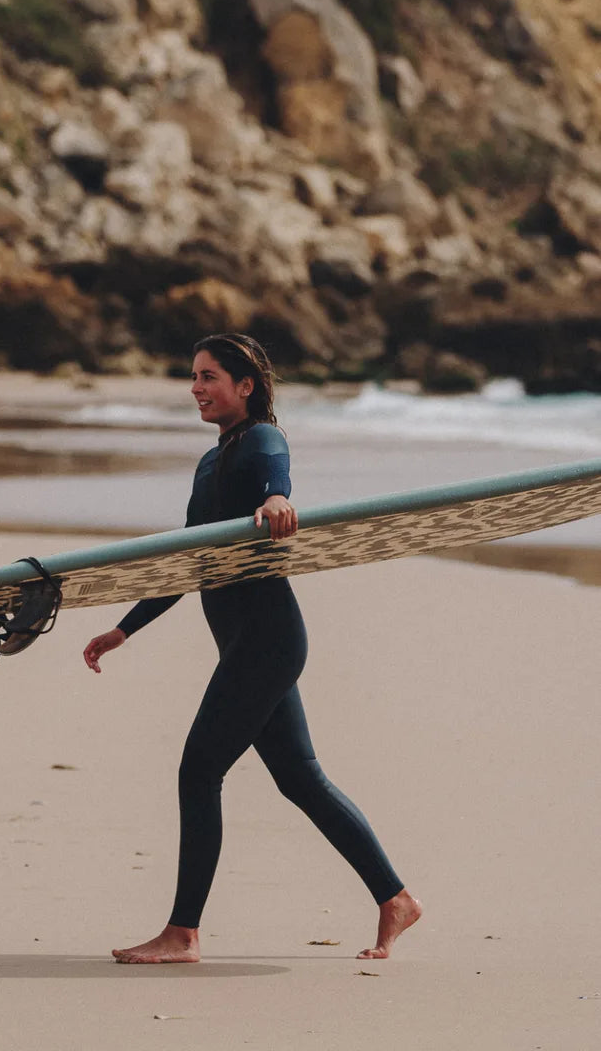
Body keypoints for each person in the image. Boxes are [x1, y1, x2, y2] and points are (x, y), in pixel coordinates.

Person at [83, 333, 421, 964]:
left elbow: (277, 483)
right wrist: (126, 628)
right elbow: (186, 560)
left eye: (209, 376)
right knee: (300, 778)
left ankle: (182, 933)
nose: (197, 388)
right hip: (248, 641)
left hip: (266, 639)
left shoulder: (262, 439)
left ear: (246, 386)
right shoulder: (211, 462)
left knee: (199, 769)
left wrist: (277, 499)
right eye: (193, 376)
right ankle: (395, 899)